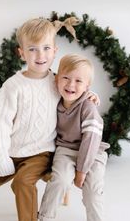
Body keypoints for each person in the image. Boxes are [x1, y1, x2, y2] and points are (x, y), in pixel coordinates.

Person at [0, 18, 99, 221]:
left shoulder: (57, 81)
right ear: (22, 53)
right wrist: (2, 156)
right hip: (13, 150)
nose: (40, 55)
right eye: (32, 49)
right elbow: (1, 123)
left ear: (54, 51)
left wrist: (92, 95)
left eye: (45, 48)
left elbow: (75, 90)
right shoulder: (13, 86)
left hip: (41, 153)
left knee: (22, 182)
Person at [38, 54, 110, 221]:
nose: (71, 84)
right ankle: (44, 217)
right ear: (56, 79)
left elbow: (91, 141)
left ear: (87, 86)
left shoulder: (88, 107)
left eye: (78, 81)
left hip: (93, 152)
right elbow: (40, 78)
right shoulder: (54, 99)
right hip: (66, 149)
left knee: (93, 190)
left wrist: (81, 171)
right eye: (66, 78)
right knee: (60, 180)